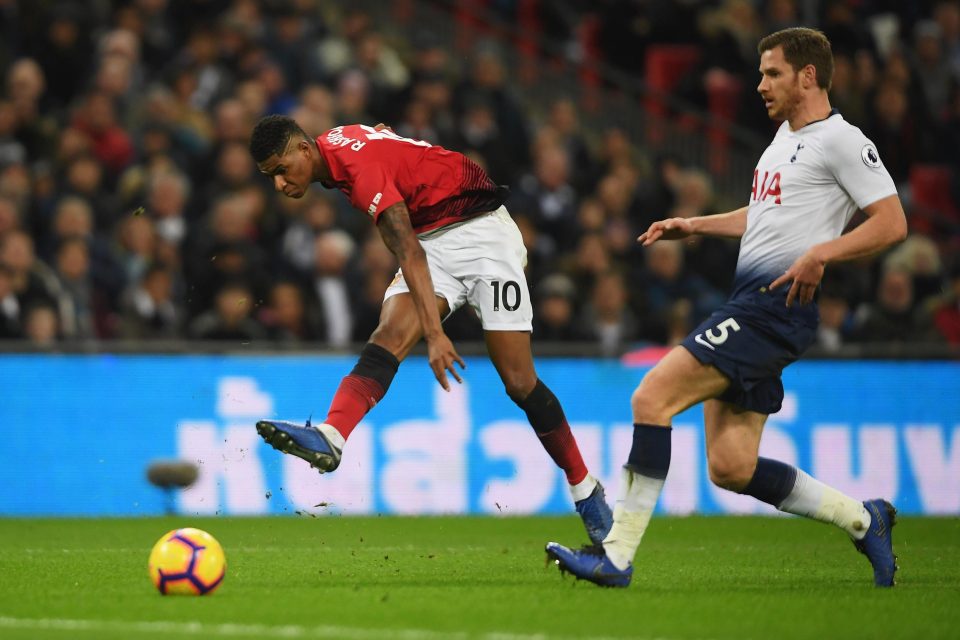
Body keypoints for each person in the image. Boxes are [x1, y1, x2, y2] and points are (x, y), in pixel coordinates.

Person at [546, 27, 906, 587]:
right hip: (753, 303)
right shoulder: (783, 140)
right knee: (732, 467)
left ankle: (615, 556)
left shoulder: (842, 140)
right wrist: (696, 225)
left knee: (652, 396)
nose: (760, 84)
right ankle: (865, 519)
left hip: (773, 310)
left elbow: (892, 221)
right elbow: (762, 215)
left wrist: (821, 256)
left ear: (808, 76)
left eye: (772, 73)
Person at [248, 115, 612, 544]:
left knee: (519, 381)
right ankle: (331, 436)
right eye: (271, 176)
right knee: (387, 335)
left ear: (304, 151)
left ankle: (585, 488)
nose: (279, 183)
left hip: (482, 236)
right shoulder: (333, 144)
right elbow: (379, 133)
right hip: (433, 237)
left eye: (281, 170)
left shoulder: (359, 172)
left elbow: (407, 251)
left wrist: (436, 335)